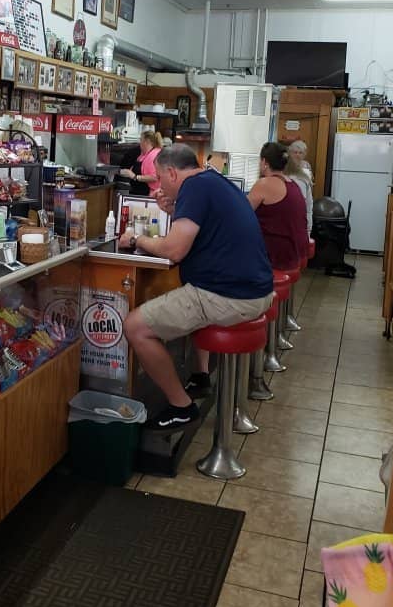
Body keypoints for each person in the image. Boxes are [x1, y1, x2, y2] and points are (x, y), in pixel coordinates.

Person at [120, 144, 273, 429]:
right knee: (172, 300)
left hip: (230, 296)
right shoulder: (213, 181)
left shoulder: (194, 188)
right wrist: (175, 209)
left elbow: (174, 250)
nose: (159, 186)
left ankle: (181, 406)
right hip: (254, 290)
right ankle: (199, 376)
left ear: (172, 173)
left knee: (135, 327)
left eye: (160, 179)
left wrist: (135, 240)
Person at [247, 141, 308, 271]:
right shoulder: (292, 183)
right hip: (296, 251)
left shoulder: (265, 183)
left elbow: (241, 214)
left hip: (278, 256)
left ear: (264, 162)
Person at [119, 130, 162, 196]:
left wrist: (135, 177)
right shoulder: (144, 154)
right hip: (137, 191)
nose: (140, 143)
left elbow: (155, 177)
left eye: (141, 140)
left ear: (146, 142)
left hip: (149, 194)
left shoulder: (154, 155)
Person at [285, 151, 313, 235]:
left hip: (297, 227)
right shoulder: (303, 177)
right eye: (295, 152)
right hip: (301, 227)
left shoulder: (298, 180)